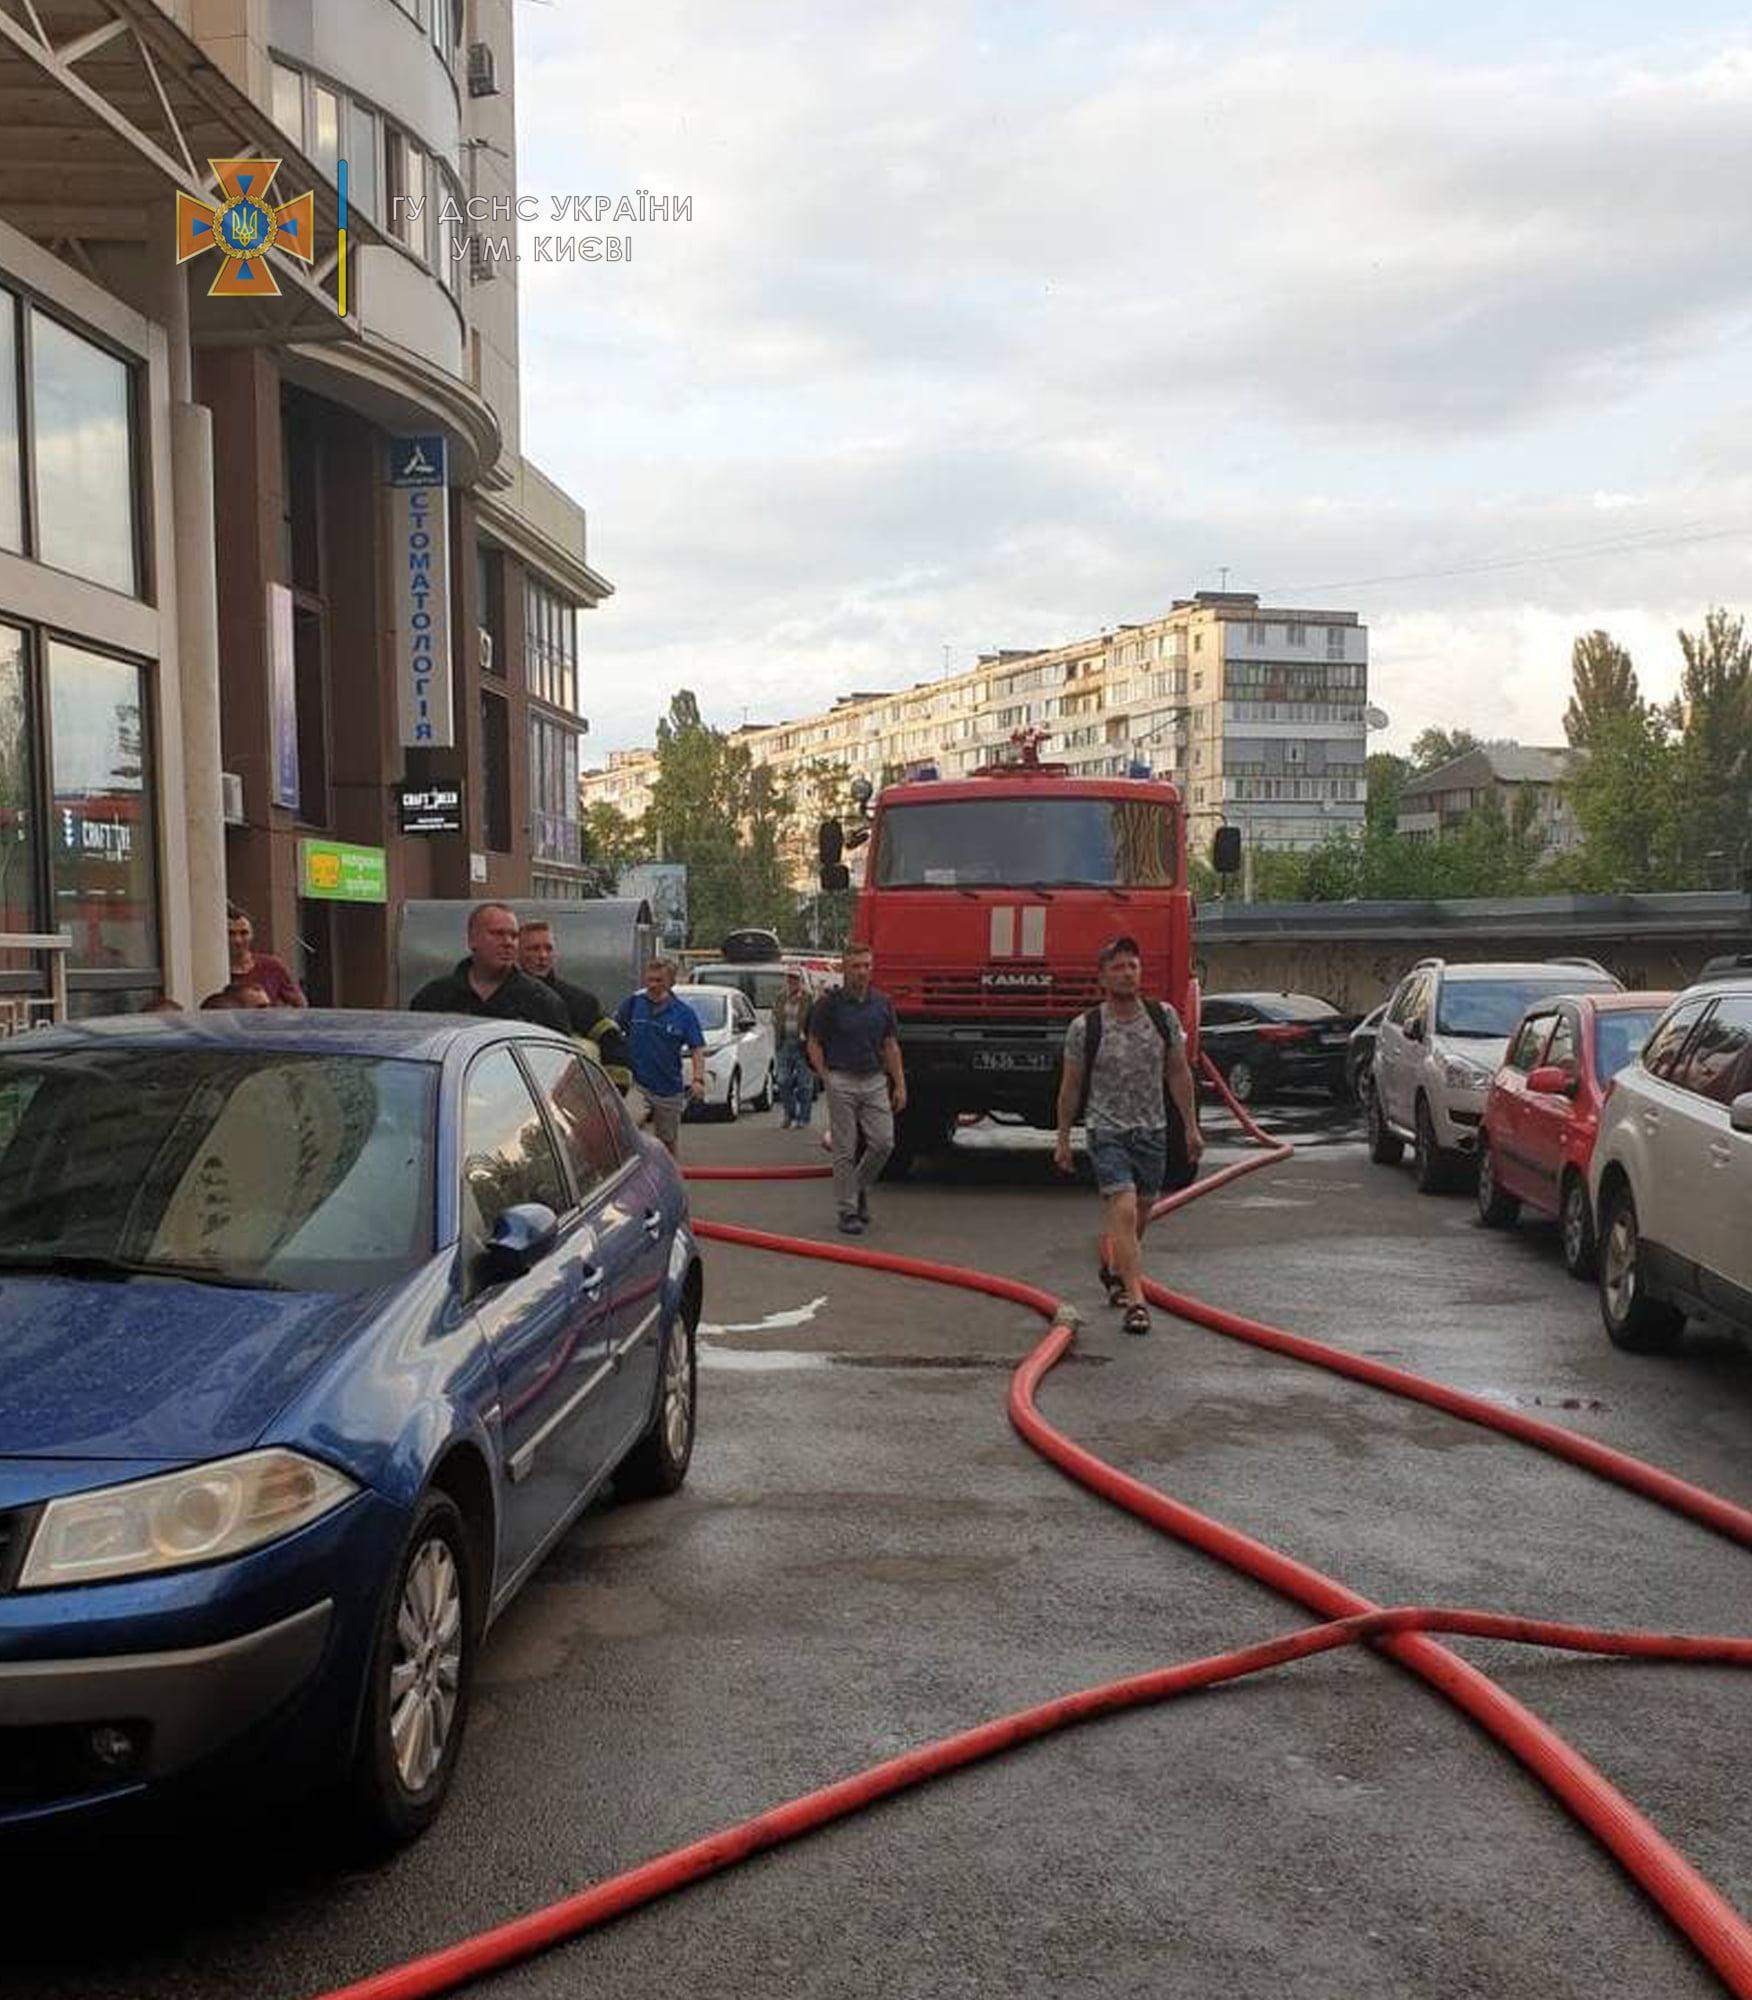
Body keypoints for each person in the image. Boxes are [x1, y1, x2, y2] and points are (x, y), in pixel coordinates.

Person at [1054, 934, 1202, 1337]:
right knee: (1123, 1208)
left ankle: (1115, 1268)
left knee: (1142, 1211)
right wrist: (1063, 1138)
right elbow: (1070, 1087)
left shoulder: (1163, 1017)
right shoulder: (1085, 1027)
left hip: (1153, 1131)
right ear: (1102, 978)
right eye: (1118, 968)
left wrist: (1190, 1127)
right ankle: (1137, 1301)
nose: (1127, 974)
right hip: (1107, 1131)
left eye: (1132, 966)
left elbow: (1178, 1073)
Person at [807, 943, 905, 1235]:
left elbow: (890, 1045)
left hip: (874, 1079)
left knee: (884, 1142)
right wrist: (825, 1076)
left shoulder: (882, 1003)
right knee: (845, 1149)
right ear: (844, 969)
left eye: (866, 966)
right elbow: (814, 1042)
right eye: (856, 966)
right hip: (842, 1078)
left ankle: (857, 1187)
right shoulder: (829, 1005)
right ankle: (848, 1211)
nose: (862, 972)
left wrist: (900, 1084)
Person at [409, 903, 570, 1031]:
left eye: (514, 936)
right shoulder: (434, 999)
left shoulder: (542, 1002)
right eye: (498, 934)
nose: (508, 942)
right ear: (472, 940)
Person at [517, 919, 632, 1086]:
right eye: (534, 949)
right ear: (517, 953)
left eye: (548, 948)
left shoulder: (577, 1000)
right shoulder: (501, 996)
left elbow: (611, 1041)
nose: (542, 956)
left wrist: (614, 1090)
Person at [614, 957, 707, 1155]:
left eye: (659, 981)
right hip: (638, 1084)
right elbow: (613, 1030)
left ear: (671, 982)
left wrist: (698, 1079)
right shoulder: (633, 1004)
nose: (653, 985)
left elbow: (697, 1049)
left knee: (667, 1142)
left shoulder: (684, 1014)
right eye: (650, 980)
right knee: (628, 1129)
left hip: (668, 1088)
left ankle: (669, 1171)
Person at [201, 907, 305, 1009]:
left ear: (252, 935)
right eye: (231, 933)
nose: (237, 940)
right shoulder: (210, 971)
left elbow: (299, 1004)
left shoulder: (272, 966)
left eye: (244, 933)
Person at [771, 967, 815, 1129]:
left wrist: (810, 1039)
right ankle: (790, 1114)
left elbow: (813, 1019)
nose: (792, 981)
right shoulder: (781, 997)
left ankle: (803, 1118)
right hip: (784, 1043)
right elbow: (776, 1017)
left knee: (804, 1084)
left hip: (802, 1045)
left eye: (795, 978)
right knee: (783, 1081)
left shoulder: (808, 998)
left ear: (800, 981)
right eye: (789, 978)